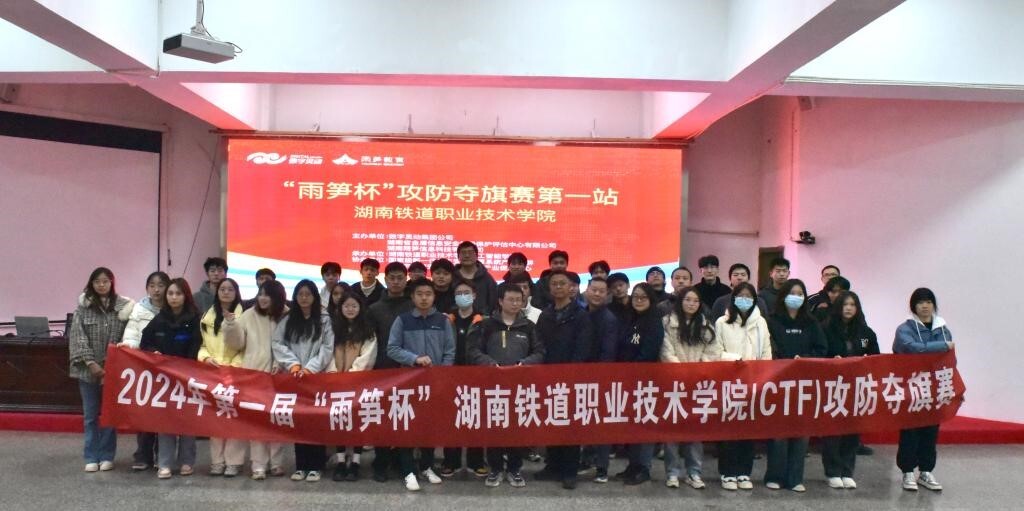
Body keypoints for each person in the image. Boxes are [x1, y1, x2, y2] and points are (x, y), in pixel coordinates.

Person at [466, 284, 544, 488]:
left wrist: (524, 364)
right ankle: (495, 468)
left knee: (517, 429)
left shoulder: (528, 326)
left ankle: (515, 469)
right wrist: (490, 364)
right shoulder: (486, 325)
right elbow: (473, 351)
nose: (515, 303)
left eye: (519, 300)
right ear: (501, 301)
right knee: (494, 428)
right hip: (493, 386)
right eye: (511, 299)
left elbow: (539, 352)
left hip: (520, 386)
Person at [386, 278, 456, 491]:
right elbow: (392, 348)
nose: (424, 298)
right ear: (412, 297)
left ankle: (427, 466)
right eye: (420, 294)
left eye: (428, 294)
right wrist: (414, 359)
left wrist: (442, 374)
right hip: (408, 381)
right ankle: (409, 471)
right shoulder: (403, 320)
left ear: (434, 297)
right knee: (407, 426)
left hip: (434, 382)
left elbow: (449, 351)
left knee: (430, 425)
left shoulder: (443, 321)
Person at [68, 267, 135, 473]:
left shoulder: (123, 308)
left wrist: (111, 365)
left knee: (108, 415)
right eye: (97, 281)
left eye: (105, 281)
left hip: (112, 371)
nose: (101, 285)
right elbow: (78, 338)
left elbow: (127, 338)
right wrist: (91, 363)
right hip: (87, 371)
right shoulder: (83, 309)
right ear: (92, 284)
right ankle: (91, 456)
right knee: (90, 416)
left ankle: (107, 456)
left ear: (112, 283)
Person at [764, 278, 827, 493]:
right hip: (778, 383)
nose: (796, 297)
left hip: (804, 384)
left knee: (801, 433)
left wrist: (805, 359)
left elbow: (821, 348)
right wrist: (784, 362)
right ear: (783, 296)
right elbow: (768, 348)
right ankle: (775, 476)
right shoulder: (772, 320)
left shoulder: (811, 322)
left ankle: (795, 478)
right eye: (792, 293)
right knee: (779, 433)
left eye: (800, 294)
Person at [223, 279, 289, 480]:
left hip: (280, 377)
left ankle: (276, 463)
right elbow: (236, 344)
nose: (262, 298)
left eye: (267, 294)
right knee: (256, 423)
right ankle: (258, 465)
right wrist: (231, 325)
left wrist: (282, 364)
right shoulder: (248, 315)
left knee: (277, 421)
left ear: (277, 297)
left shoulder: (287, 315)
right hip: (254, 377)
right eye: (260, 294)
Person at [534, 270, 593, 490]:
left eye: (562, 284)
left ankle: (569, 471)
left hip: (572, 377)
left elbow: (583, 346)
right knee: (552, 421)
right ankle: (553, 466)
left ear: (571, 288)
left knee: (570, 425)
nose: (558, 287)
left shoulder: (581, 315)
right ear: (549, 289)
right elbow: (539, 344)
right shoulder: (545, 315)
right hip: (548, 376)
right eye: (554, 284)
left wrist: (572, 372)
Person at [272, 279, 334, 483]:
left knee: (315, 422)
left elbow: (327, 347)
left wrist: (311, 368)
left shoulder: (324, 319)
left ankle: (316, 466)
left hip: (316, 377)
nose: (304, 298)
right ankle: (301, 465)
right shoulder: (288, 319)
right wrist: (293, 365)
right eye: (300, 294)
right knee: (299, 422)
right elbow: (278, 343)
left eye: (308, 294)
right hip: (295, 377)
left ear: (315, 297)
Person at [140, 278, 202, 479]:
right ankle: (165, 463)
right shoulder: (159, 319)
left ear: (186, 296)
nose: (174, 297)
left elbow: (197, 346)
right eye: (171, 294)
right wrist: (154, 352)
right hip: (164, 378)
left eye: (178, 293)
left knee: (187, 421)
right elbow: (145, 343)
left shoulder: (195, 319)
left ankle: (186, 461)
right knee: (165, 421)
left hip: (188, 377)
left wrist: (186, 368)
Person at [660, 286, 721, 490]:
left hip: (697, 384)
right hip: (673, 383)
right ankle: (672, 472)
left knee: (695, 431)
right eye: (687, 300)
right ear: (680, 301)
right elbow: (666, 351)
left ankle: (694, 472)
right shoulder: (667, 322)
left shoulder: (705, 325)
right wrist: (681, 373)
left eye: (695, 301)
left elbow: (712, 352)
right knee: (672, 431)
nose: (691, 304)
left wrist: (697, 373)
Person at [893, 287, 953, 492]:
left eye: (928, 302)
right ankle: (907, 471)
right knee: (910, 430)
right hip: (911, 386)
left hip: (934, 387)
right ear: (913, 306)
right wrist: (942, 346)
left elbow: (948, 358)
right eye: (920, 302)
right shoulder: (904, 329)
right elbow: (912, 348)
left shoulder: (943, 328)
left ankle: (926, 471)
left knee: (930, 430)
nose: (925, 306)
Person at [713, 282, 771, 491]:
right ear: (734, 298)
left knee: (748, 429)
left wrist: (763, 373)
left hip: (753, 381)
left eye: (749, 296)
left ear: (754, 300)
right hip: (729, 380)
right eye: (741, 296)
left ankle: (744, 471)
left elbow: (766, 351)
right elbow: (716, 351)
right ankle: (727, 472)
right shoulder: (722, 322)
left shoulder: (761, 322)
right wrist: (734, 359)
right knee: (728, 429)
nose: (744, 300)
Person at [821, 291, 879, 490]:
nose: (848, 308)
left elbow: (875, 357)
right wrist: (832, 360)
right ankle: (832, 471)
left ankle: (847, 470)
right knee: (833, 431)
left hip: (857, 387)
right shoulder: (826, 328)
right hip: (833, 387)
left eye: (852, 305)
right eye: (845, 304)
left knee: (852, 430)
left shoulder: (866, 332)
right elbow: (819, 353)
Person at [367, 262, 413, 482]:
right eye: (392, 278)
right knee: (382, 419)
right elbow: (369, 341)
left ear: (406, 280)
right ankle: (381, 462)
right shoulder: (374, 309)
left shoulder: (413, 306)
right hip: (382, 370)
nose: (395, 282)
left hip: (408, 371)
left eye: (399, 278)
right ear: (385, 280)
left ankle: (402, 461)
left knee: (406, 418)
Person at [616, 283, 665, 486]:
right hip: (628, 380)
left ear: (650, 299)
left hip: (646, 381)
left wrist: (632, 370)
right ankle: (632, 465)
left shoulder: (654, 321)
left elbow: (649, 353)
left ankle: (643, 468)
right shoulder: (630, 318)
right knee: (631, 425)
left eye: (643, 297)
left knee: (644, 425)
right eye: (635, 296)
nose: (638, 300)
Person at [120, 271, 170, 471]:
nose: (156, 290)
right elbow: (132, 335)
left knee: (165, 414)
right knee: (144, 412)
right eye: (152, 285)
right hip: (144, 367)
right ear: (147, 288)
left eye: (161, 285)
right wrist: (128, 346)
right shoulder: (139, 309)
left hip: (169, 369)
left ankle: (161, 455)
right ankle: (142, 455)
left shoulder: (173, 308)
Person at [198, 277, 246, 477]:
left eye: (230, 289)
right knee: (215, 419)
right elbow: (202, 345)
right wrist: (205, 358)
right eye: (222, 289)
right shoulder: (207, 316)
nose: (226, 292)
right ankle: (217, 461)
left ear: (236, 293)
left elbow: (246, 347)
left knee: (235, 419)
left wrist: (234, 367)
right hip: (212, 373)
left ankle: (234, 462)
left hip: (236, 373)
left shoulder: (244, 316)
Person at [328, 291, 378, 482]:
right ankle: (341, 461)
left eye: (354, 306)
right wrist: (334, 374)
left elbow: (367, 357)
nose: (350, 309)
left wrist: (351, 376)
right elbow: (327, 353)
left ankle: (356, 461)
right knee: (339, 420)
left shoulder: (368, 331)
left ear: (360, 308)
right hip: (335, 384)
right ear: (340, 308)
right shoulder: (333, 330)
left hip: (359, 384)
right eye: (346, 306)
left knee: (357, 422)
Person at [441, 279, 486, 478]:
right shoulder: (446, 320)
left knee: (475, 417)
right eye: (458, 293)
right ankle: (451, 460)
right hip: (451, 374)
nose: (462, 296)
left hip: (476, 374)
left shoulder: (483, 320)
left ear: (474, 295)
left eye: (466, 292)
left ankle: (477, 461)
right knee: (451, 418)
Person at [581, 277, 621, 482]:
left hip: (601, 377)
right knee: (586, 421)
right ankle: (587, 460)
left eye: (601, 291)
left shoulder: (609, 319)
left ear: (607, 295)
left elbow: (608, 352)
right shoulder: (582, 314)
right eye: (593, 290)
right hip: (582, 377)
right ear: (587, 291)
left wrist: (600, 376)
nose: (597, 294)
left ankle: (602, 468)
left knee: (602, 423)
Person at [456, 241, 498, 315]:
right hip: (456, 318)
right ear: (458, 256)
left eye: (470, 252)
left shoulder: (487, 278)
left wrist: (485, 316)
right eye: (463, 253)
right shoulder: (453, 276)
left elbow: (493, 302)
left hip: (482, 319)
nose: (467, 255)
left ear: (477, 256)